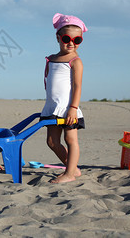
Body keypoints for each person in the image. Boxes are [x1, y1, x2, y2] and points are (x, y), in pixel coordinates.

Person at [41, 13, 87, 183]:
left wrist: (73, 109)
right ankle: (73, 168)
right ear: (58, 38)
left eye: (77, 40)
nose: (71, 43)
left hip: (68, 107)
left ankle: (69, 174)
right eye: (67, 38)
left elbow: (77, 87)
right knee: (52, 142)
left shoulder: (75, 61)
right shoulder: (52, 59)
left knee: (70, 139)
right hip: (53, 107)